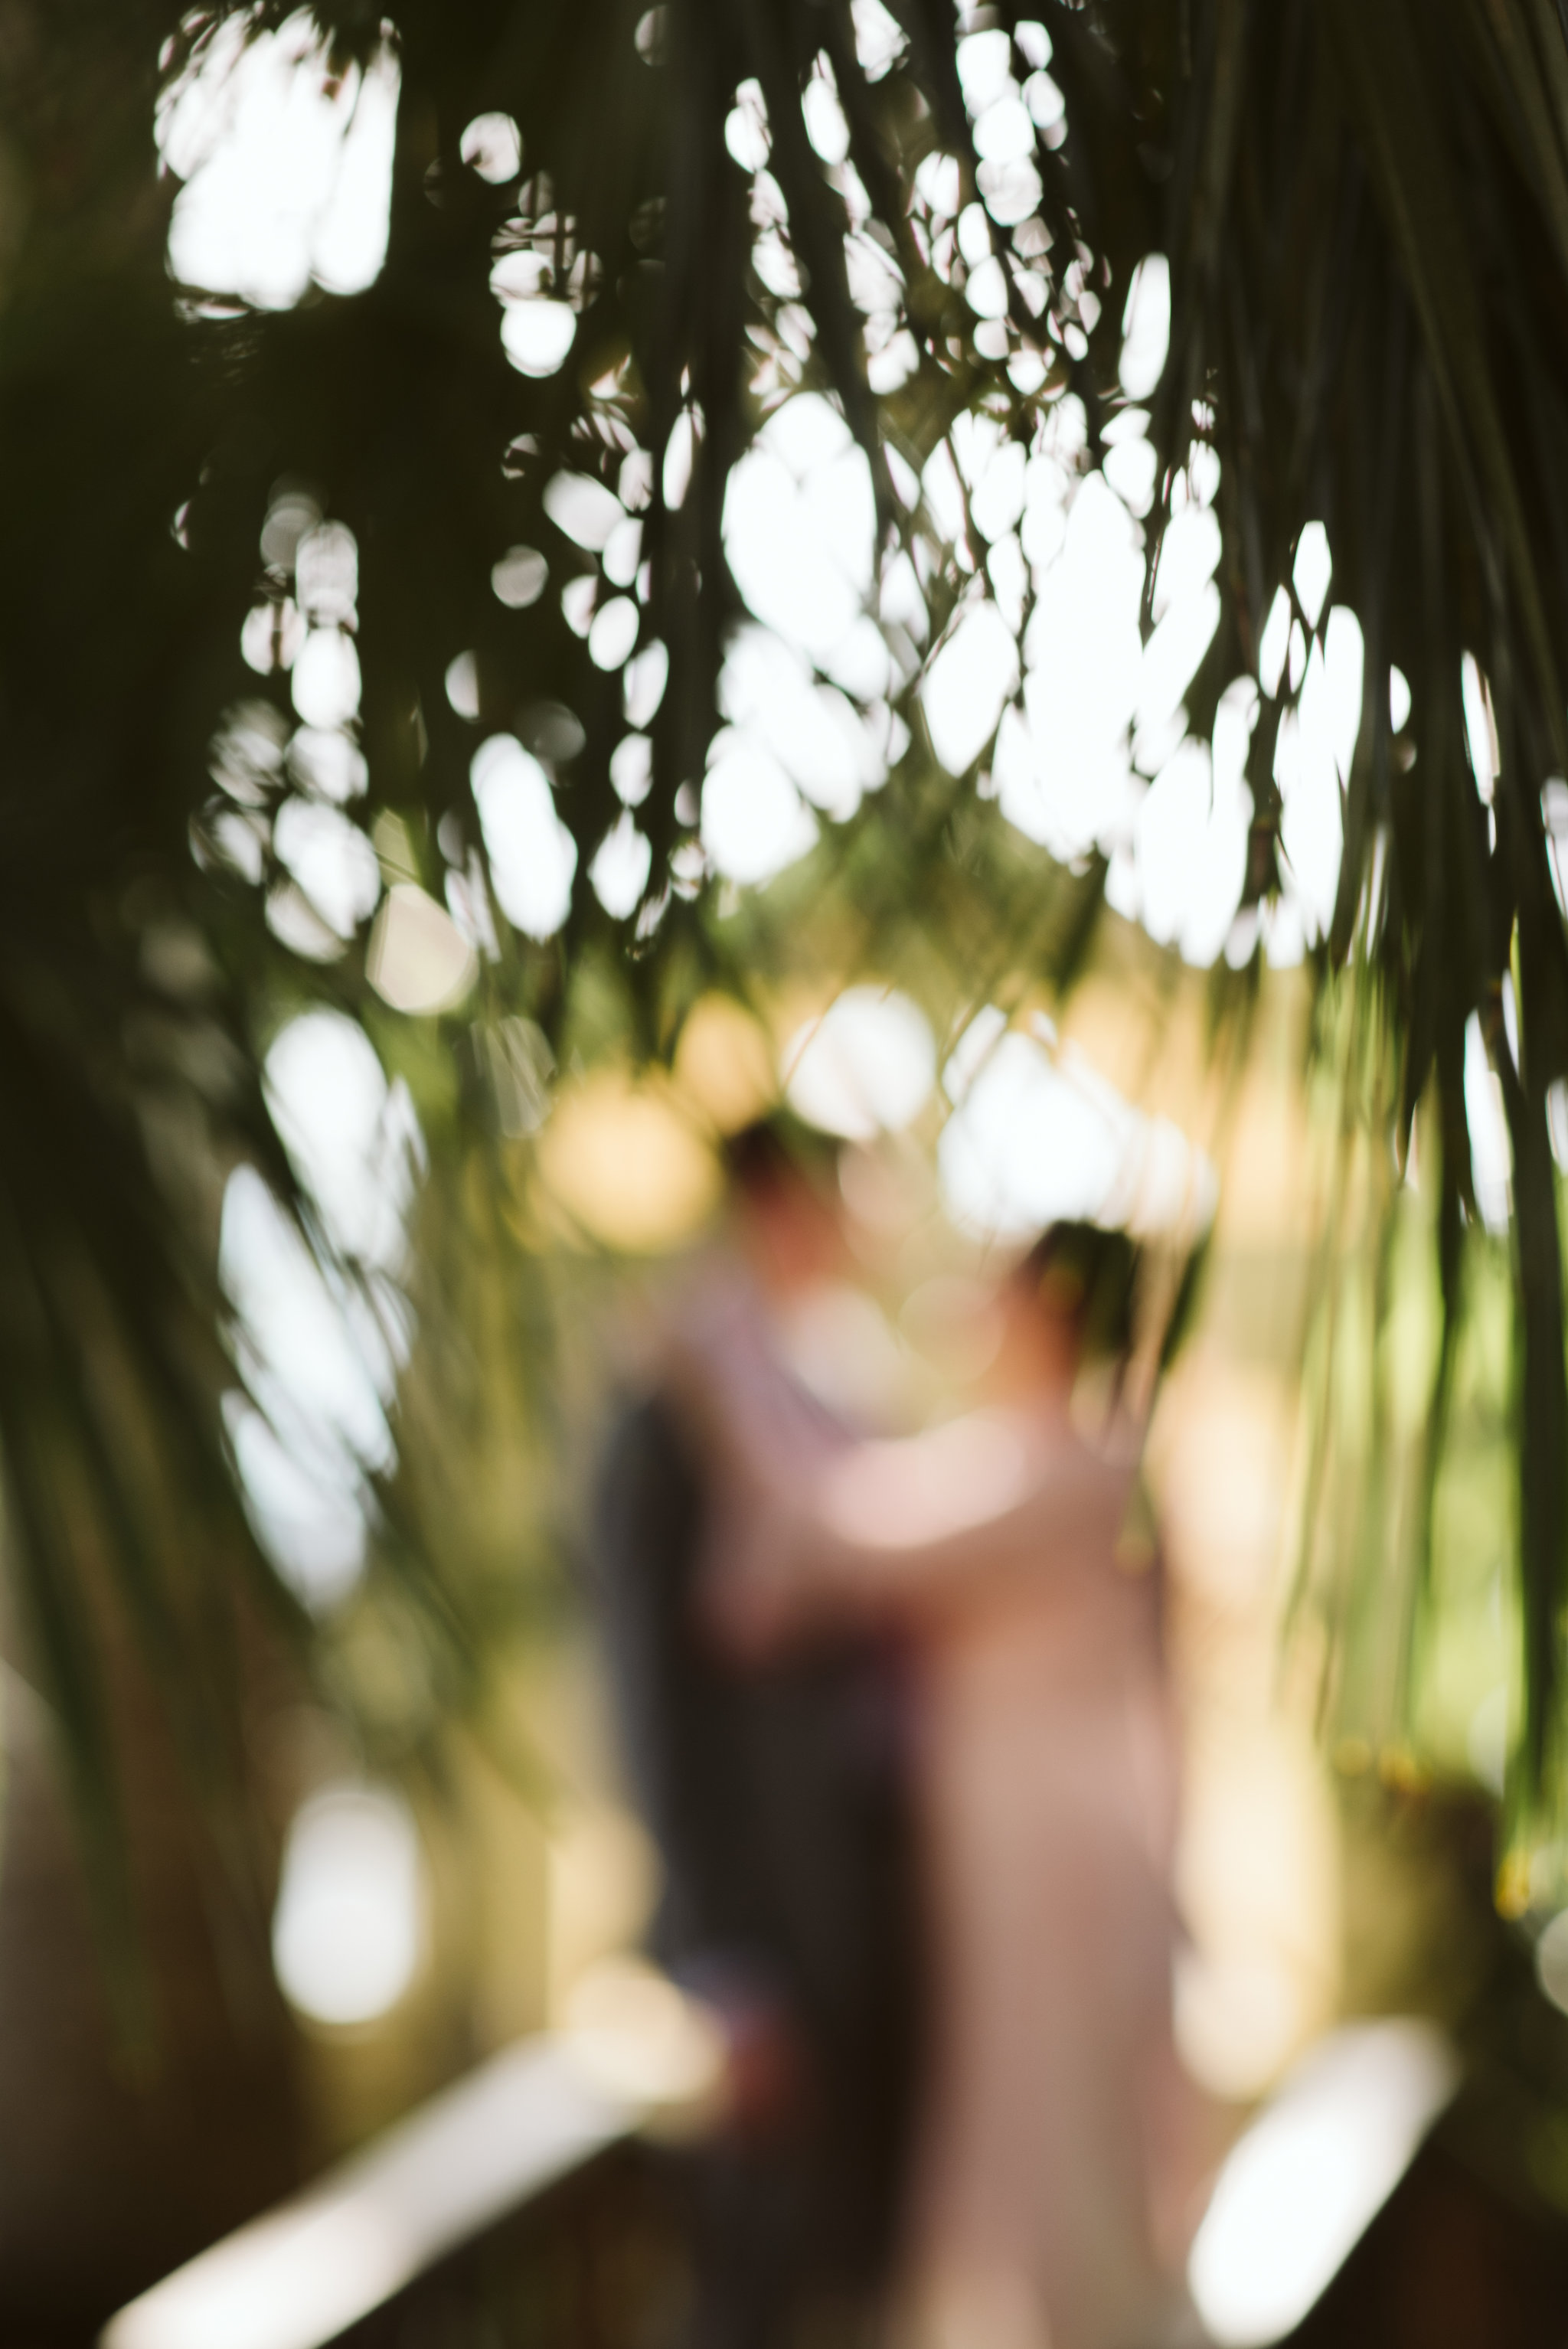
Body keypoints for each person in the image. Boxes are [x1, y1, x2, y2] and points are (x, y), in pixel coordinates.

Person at [665, 1221, 1194, 2349]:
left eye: (1000, 1294)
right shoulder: (1055, 1460)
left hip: (1044, 1858)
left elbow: (829, 1530)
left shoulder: (1066, 1466)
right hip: (1049, 1842)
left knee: (1050, 2127)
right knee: (1041, 2123)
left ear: (1049, 1311)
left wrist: (727, 1366)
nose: (975, 1311)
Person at [588, 1117, 923, 2349]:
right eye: (843, 1197)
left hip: (862, 1918)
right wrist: (720, 1957)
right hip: (766, 1935)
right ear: (781, 1201)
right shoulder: (665, 1408)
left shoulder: (824, 1387)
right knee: (757, 2284)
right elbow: (642, 1700)